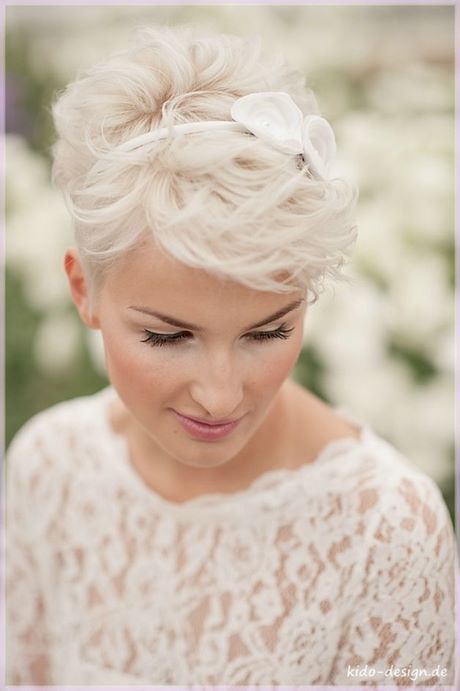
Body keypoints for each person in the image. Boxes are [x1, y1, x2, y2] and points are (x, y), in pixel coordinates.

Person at [5, 24, 457, 686]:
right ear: (83, 291)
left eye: (267, 333)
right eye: (168, 337)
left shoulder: (386, 532)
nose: (220, 396)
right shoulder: (49, 467)